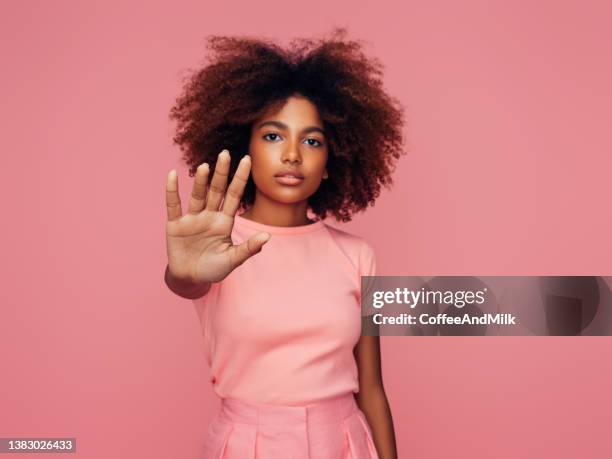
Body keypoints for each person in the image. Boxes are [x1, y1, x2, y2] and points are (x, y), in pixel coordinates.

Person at [163, 29, 404, 459]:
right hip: (244, 446)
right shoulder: (215, 246)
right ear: (245, 148)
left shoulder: (359, 256)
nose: (292, 154)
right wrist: (182, 273)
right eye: (273, 136)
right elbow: (186, 281)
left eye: (312, 141)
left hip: (344, 444)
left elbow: (372, 388)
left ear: (331, 162)